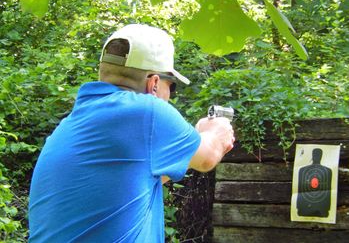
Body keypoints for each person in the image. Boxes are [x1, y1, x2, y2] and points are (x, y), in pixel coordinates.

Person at [28, 23, 235, 242]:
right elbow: (207, 158)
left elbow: (139, 181)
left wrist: (191, 140)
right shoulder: (147, 112)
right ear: (154, 83)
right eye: (171, 86)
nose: (170, 95)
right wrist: (215, 130)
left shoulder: (73, 122)